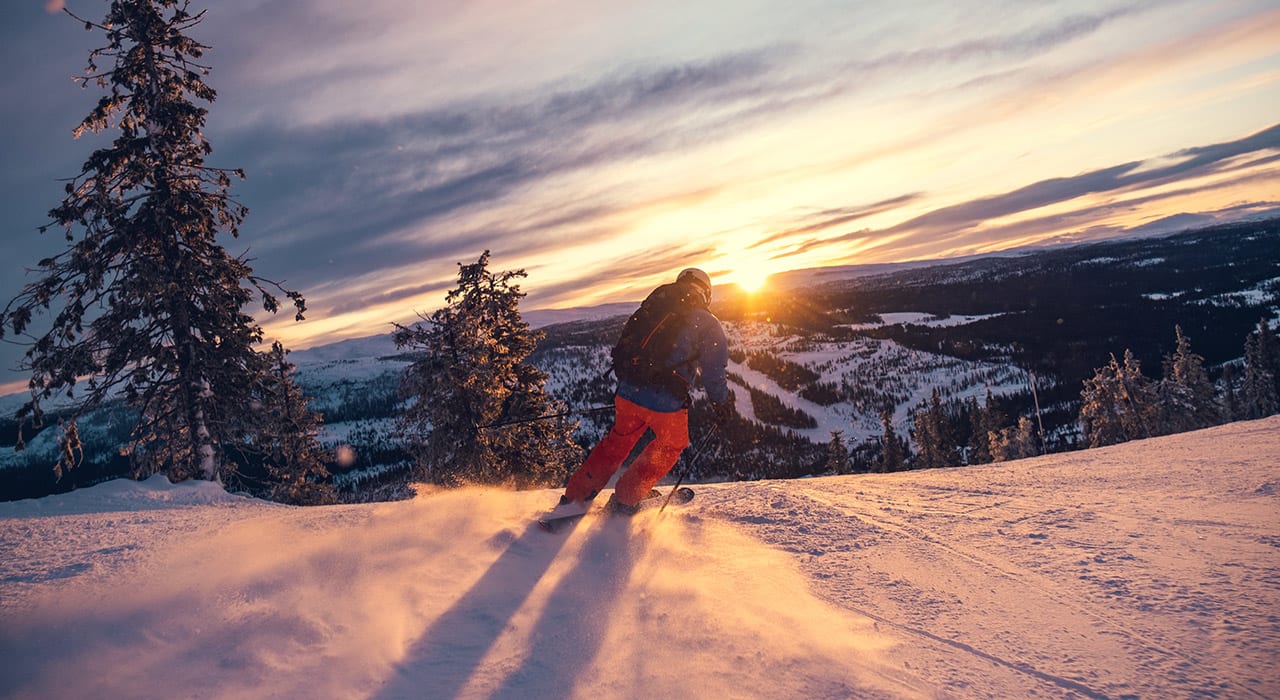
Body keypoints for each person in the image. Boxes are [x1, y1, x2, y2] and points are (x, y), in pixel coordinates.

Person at [560, 267, 733, 515]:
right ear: (705, 292)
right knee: (672, 444)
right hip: (665, 400)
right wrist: (721, 403)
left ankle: (575, 497)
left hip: (628, 391)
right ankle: (627, 498)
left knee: (617, 442)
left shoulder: (654, 307)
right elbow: (713, 371)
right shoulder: (707, 321)